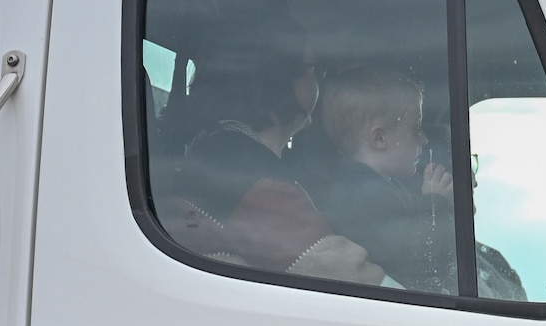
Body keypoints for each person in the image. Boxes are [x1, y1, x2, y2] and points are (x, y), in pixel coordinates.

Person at [152, 43, 385, 285]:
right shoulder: (248, 173)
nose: (320, 81)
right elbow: (340, 270)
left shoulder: (218, 151)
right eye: (312, 70)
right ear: (278, 81)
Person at [291, 66, 456, 294]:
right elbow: (423, 259)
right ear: (379, 139)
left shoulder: (371, 189)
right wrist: (437, 201)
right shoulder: (362, 199)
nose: (424, 139)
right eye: (415, 129)